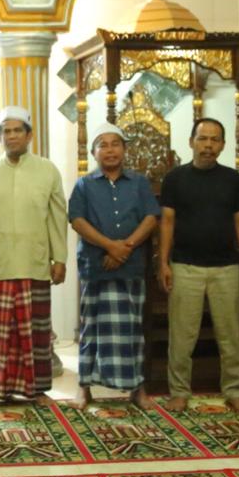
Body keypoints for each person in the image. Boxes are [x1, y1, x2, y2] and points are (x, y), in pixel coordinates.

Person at [0, 106, 68, 405]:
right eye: (5, 131)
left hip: (34, 263)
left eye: (17, 131)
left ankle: (36, 391)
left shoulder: (47, 170)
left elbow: (57, 217)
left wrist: (59, 257)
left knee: (34, 334)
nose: (11, 136)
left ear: (29, 135)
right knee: (2, 335)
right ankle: (0, 390)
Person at [156, 118, 239, 413]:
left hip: (226, 267)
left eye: (214, 140)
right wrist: (163, 262)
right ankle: (179, 391)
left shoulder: (233, 179)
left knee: (230, 334)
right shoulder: (175, 178)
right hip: (185, 266)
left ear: (223, 145)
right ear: (191, 142)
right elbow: (168, 221)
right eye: (202, 139)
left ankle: (235, 390)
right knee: (182, 335)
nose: (208, 145)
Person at [67, 124, 160, 411]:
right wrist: (110, 245)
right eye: (103, 145)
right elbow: (77, 220)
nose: (110, 150)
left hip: (130, 266)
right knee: (91, 327)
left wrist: (125, 247)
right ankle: (84, 388)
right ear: (94, 152)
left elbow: (151, 217)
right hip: (96, 267)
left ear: (124, 149)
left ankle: (138, 389)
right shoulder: (84, 184)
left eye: (115, 144)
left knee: (133, 328)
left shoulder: (139, 182)